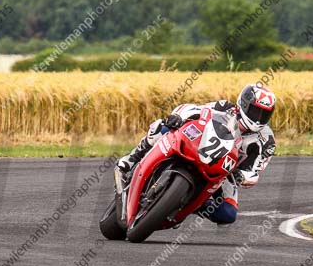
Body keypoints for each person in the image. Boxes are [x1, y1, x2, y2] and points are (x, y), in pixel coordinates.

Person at [117, 84, 277, 225]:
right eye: (256, 111)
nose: (259, 118)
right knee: (163, 126)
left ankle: (193, 204)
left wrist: (243, 176)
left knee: (229, 214)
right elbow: (196, 110)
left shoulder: (266, 140)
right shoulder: (225, 107)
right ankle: (132, 159)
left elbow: (255, 170)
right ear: (244, 104)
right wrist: (178, 117)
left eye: (264, 114)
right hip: (199, 144)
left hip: (226, 173)